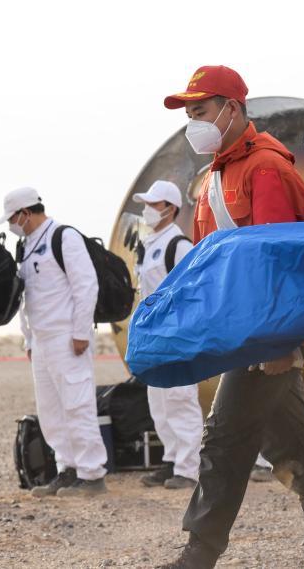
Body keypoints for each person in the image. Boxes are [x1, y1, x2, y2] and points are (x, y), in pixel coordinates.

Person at [157, 65, 304, 569]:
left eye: (200, 111)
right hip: (242, 334)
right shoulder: (214, 177)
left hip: (264, 335)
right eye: (188, 114)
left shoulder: (264, 168)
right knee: (293, 448)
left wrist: (279, 344)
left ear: (232, 108)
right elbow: (213, 262)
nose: (193, 123)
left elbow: (279, 260)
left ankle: (198, 554)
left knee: (224, 439)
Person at [1, 186, 108, 497]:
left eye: (12, 217)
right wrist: (28, 340)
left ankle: (92, 475)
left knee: (77, 405)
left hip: (67, 336)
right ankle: (67, 468)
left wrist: (79, 332)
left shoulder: (63, 236)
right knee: (51, 410)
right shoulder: (27, 244)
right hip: (42, 339)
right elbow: (27, 298)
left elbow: (85, 286)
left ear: (25, 212)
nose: (11, 223)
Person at [131, 179, 202, 491]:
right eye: (146, 203)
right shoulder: (148, 245)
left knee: (180, 399)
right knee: (158, 401)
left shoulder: (179, 245)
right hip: (153, 335)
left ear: (170, 208)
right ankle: (172, 459)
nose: (147, 210)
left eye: (153, 204)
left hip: (175, 335)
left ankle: (189, 468)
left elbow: (192, 292)